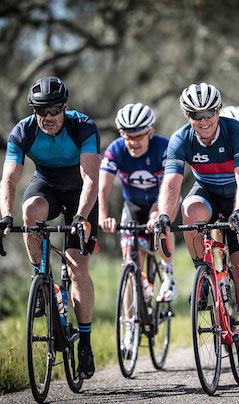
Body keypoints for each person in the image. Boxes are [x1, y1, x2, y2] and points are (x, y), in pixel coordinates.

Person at [0, 76, 100, 379]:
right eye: (42, 111)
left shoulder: (84, 127)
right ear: (34, 110)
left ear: (65, 107)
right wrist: (5, 216)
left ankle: (86, 344)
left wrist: (80, 217)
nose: (49, 117)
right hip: (48, 185)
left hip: (81, 193)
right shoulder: (22, 132)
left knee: (77, 266)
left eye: (55, 110)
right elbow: (9, 180)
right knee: (30, 212)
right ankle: (40, 278)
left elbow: (92, 178)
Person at [153, 83, 239, 372]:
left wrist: (238, 212)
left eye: (209, 113)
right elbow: (173, 183)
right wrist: (164, 215)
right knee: (189, 211)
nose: (204, 120)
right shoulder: (180, 139)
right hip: (208, 192)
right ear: (187, 116)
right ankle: (204, 272)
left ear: (219, 110)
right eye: (196, 114)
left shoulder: (236, 131)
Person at [98, 103, 179, 304]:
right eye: (128, 137)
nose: (133, 142)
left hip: (162, 201)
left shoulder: (164, 147)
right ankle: (130, 328)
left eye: (138, 136)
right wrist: (103, 217)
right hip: (133, 206)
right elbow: (102, 188)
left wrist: (157, 213)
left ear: (150, 132)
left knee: (162, 228)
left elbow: (169, 187)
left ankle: (168, 276)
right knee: (131, 264)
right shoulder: (115, 149)